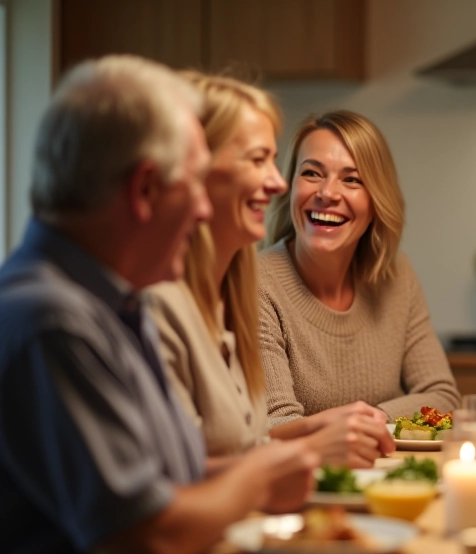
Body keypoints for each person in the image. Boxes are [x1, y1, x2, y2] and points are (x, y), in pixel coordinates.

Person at [0, 56, 321, 554]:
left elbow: (166, 479)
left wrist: (276, 463)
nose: (201, 212)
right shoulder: (52, 322)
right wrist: (260, 476)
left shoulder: (113, 304)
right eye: (194, 183)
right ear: (145, 190)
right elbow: (144, 541)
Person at [147, 73, 395, 465]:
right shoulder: (158, 304)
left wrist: (330, 429)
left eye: (352, 179)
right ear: (196, 169)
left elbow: (247, 445)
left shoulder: (231, 286)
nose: (278, 182)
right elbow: (168, 483)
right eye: (258, 160)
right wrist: (311, 446)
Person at [260, 110, 460, 427]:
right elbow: (276, 424)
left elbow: (443, 395)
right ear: (290, 187)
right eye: (312, 173)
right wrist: (362, 423)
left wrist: (376, 418)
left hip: (391, 472)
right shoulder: (256, 283)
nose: (327, 193)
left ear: (376, 202)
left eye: (352, 179)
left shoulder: (398, 276)